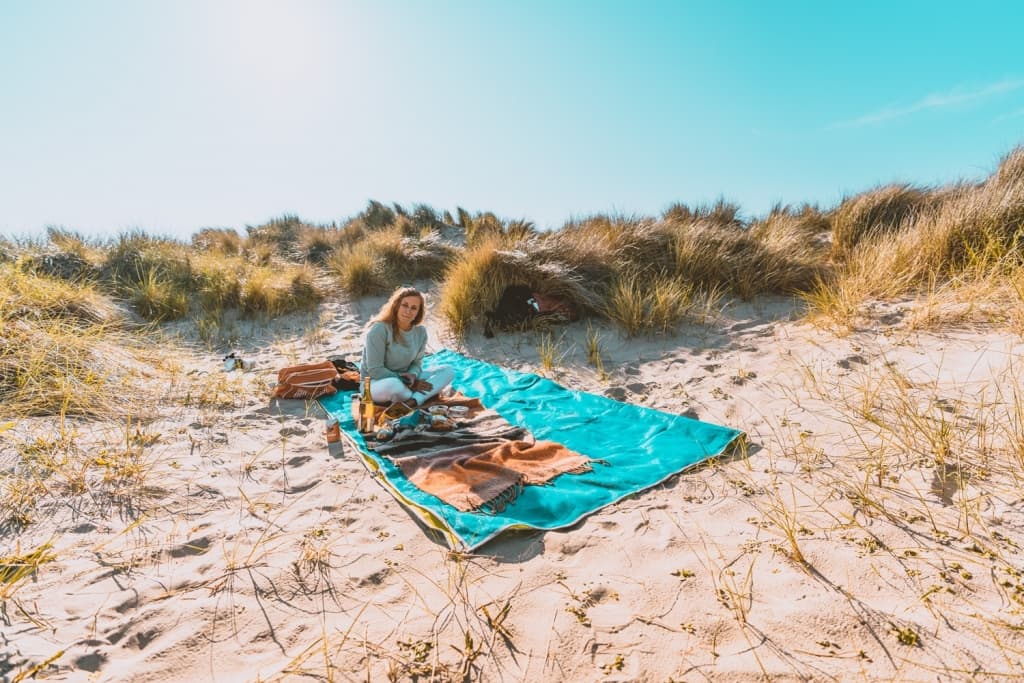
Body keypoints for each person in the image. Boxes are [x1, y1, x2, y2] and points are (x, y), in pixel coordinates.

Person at [359, 286, 454, 406]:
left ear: (418, 313)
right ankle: (416, 395)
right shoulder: (379, 329)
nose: (408, 311)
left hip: (407, 379)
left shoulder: (420, 332)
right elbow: (375, 370)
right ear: (396, 306)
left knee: (447, 370)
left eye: (414, 308)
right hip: (376, 383)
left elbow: (417, 363)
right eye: (405, 305)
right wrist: (409, 382)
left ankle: (413, 401)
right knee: (394, 385)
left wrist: (413, 376)